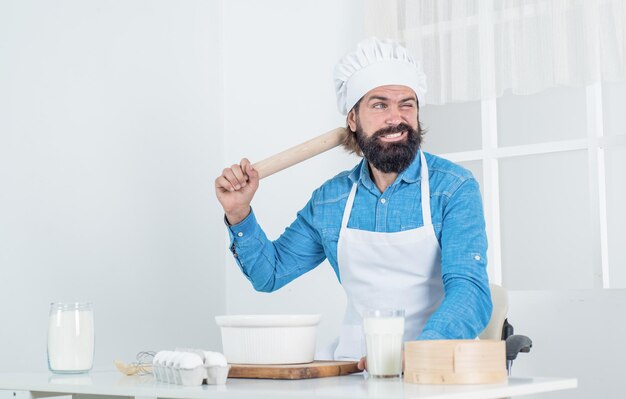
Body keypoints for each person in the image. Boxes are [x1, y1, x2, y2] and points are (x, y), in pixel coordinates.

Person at [214, 38, 492, 369]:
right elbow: (269, 274)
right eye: (379, 105)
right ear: (352, 119)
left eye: (407, 104)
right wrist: (238, 212)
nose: (396, 118)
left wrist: (417, 355)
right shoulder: (331, 200)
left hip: (436, 369)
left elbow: (470, 292)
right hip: (355, 371)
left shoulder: (453, 188)